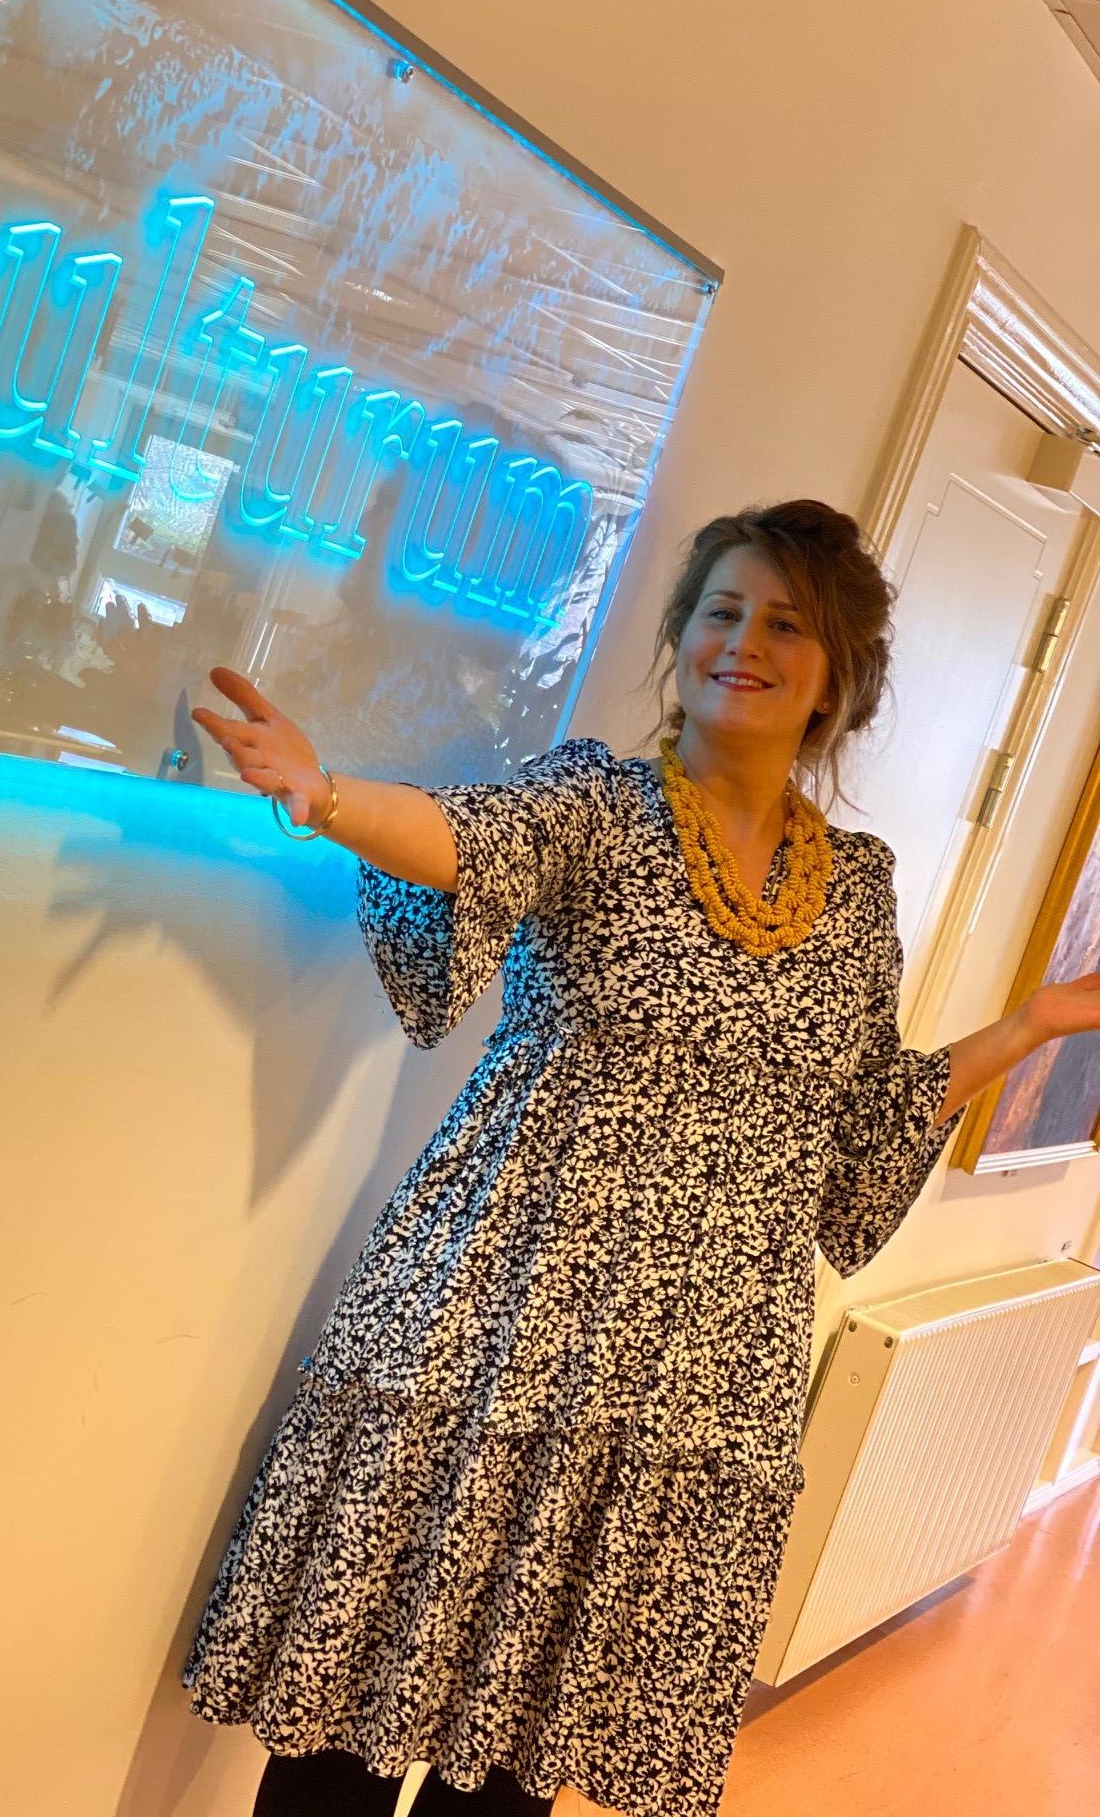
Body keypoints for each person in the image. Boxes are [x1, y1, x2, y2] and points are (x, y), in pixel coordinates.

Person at [179, 498, 1100, 1817]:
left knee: (517, 1754)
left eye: (785, 625)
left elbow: (858, 1133)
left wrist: (1031, 1025)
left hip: (691, 1376)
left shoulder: (856, 890)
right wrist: (325, 799)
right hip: (505, 1315)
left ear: (837, 677)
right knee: (348, 1726)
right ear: (682, 637)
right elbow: (467, 839)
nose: (744, 644)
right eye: (722, 612)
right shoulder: (599, 804)